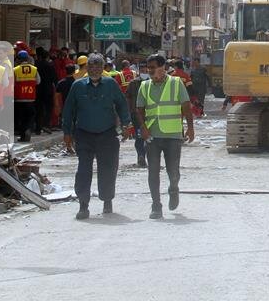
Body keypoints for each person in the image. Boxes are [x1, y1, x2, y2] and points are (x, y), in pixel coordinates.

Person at [61, 53, 130, 219]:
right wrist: (67, 133)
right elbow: (69, 110)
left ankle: (107, 200)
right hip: (84, 134)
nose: (94, 69)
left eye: (98, 66)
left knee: (108, 169)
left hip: (107, 134)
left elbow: (121, 104)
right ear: (86, 68)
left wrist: (127, 124)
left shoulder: (110, 84)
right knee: (84, 170)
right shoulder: (77, 86)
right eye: (91, 66)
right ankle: (83, 205)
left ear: (103, 68)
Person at [137, 54, 195, 219]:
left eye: (153, 67)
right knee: (153, 171)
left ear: (163, 68)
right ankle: (156, 205)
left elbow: (186, 107)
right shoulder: (144, 86)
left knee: (173, 171)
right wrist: (143, 128)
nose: (150, 70)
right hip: (152, 136)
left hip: (173, 135)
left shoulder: (177, 84)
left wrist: (190, 128)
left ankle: (173, 188)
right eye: (148, 68)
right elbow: (139, 110)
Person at [126, 59, 149, 168]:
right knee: (139, 137)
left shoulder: (154, 82)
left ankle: (150, 158)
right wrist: (130, 112)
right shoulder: (133, 83)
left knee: (151, 138)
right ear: (139, 70)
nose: (144, 70)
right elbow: (128, 98)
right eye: (142, 68)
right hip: (137, 116)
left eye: (146, 68)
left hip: (151, 115)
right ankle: (141, 156)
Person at [12, 50, 39, 142]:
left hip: (19, 98)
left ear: (18, 59)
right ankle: (28, 129)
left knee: (21, 117)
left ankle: (23, 135)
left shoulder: (15, 70)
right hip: (31, 98)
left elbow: (12, 84)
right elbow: (38, 81)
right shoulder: (34, 69)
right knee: (30, 116)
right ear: (27, 58)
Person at [34, 47, 58, 133]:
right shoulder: (50, 66)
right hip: (48, 90)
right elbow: (55, 78)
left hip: (37, 89)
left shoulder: (35, 65)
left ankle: (38, 127)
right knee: (48, 108)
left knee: (38, 108)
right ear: (47, 57)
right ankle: (46, 125)